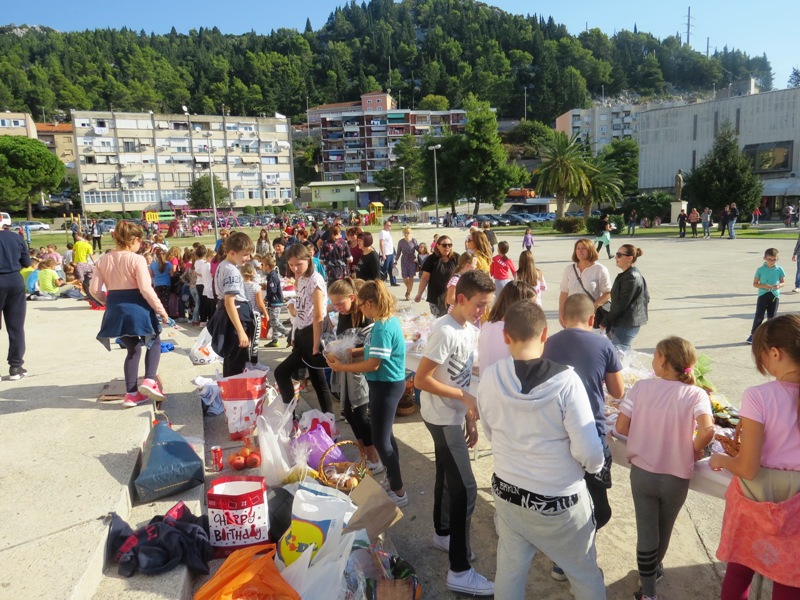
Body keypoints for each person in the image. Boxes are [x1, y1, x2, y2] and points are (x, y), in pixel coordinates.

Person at [479, 300, 606, 600]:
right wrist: (595, 468)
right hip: (559, 502)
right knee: (584, 575)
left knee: (509, 571)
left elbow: (490, 431)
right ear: (545, 334)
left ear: (506, 336)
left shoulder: (491, 376)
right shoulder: (567, 381)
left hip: (508, 493)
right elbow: (590, 452)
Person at [414, 270, 495, 597]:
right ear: (460, 299)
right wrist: (462, 397)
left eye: (486, 305)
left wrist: (469, 415)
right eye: (478, 305)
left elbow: (461, 376)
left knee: (447, 477)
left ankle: (443, 533)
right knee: (466, 488)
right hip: (440, 417)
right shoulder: (444, 330)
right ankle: (459, 570)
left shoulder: (469, 329)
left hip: (453, 415)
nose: (482, 311)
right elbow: (421, 380)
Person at [615, 337, 715, 600]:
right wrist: (692, 448)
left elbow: (621, 427)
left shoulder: (641, 388)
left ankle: (648, 592)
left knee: (647, 532)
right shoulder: (696, 394)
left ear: (662, 358)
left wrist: (644, 435)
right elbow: (708, 431)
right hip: (676, 477)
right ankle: (653, 569)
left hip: (643, 474)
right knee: (665, 528)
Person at [709, 315, 800, 600]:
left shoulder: (759, 396)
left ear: (775, 353)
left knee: (740, 568)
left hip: (754, 496)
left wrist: (721, 460)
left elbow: (747, 468)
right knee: (790, 578)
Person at [542, 293, 624, 581]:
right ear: (592, 319)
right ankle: (574, 560)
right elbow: (618, 391)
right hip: (590, 432)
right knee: (598, 509)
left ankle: (561, 558)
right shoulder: (604, 344)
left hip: (555, 433)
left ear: (563, 318)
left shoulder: (549, 342)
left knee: (566, 498)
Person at [327, 280, 407, 505]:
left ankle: (399, 492)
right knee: (386, 437)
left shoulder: (382, 327)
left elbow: (373, 364)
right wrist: (351, 352)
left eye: (361, 305)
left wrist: (342, 367)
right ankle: (393, 480)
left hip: (386, 385)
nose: (360, 309)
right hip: (383, 384)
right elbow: (373, 352)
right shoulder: (385, 322)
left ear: (369, 304)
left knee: (381, 441)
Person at [90, 221, 170, 406]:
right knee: (154, 340)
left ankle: (131, 394)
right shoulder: (137, 259)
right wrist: (161, 310)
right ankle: (150, 379)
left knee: (132, 349)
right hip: (137, 305)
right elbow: (145, 288)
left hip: (115, 307)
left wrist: (107, 302)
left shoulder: (103, 260)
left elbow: (94, 289)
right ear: (134, 239)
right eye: (140, 242)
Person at [326, 277, 381, 471]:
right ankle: (364, 454)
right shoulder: (344, 313)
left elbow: (373, 348)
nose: (337, 308)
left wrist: (348, 351)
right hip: (347, 368)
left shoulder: (365, 315)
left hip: (361, 371)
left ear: (352, 297)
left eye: (340, 303)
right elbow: (344, 340)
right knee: (349, 413)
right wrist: (335, 349)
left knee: (360, 414)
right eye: (334, 304)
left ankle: (375, 458)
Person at [274, 242, 334, 414]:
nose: (295, 268)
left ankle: (290, 415)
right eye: (291, 265)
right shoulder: (300, 279)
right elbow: (300, 308)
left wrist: (315, 345)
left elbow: (318, 314)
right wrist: (294, 334)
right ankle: (327, 418)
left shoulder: (315, 280)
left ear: (308, 259)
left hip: (313, 334)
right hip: (302, 333)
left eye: (298, 264)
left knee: (281, 372)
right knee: (317, 380)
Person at [208, 232, 256, 377]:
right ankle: (234, 389)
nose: (248, 258)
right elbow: (230, 303)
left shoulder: (223, 265)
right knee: (237, 364)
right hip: (235, 318)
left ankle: (229, 387)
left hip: (228, 315)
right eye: (245, 255)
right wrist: (241, 331)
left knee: (231, 361)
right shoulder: (232, 271)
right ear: (232, 253)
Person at [478, 280, 536, 375]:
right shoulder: (518, 333)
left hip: (485, 381)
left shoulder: (487, 325)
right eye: (532, 305)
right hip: (506, 382)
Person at [557, 239, 612, 330]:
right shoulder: (569, 269)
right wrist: (561, 313)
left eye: (583, 248)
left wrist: (593, 306)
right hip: (571, 314)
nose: (580, 251)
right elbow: (564, 292)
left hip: (591, 315)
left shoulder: (600, 269)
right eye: (578, 248)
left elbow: (607, 293)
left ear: (590, 250)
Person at [605, 244, 649, 353]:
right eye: (616, 254)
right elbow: (646, 297)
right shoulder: (629, 274)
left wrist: (605, 321)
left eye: (619, 255)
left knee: (617, 355)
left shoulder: (631, 276)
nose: (616, 257)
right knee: (622, 354)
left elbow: (621, 304)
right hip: (624, 322)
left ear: (629, 258)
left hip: (626, 323)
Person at [0, 226, 30, 380]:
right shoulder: (15, 237)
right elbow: (26, 262)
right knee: (16, 327)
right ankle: (16, 366)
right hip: (14, 279)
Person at [746, 247, 785, 344]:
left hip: (774, 296)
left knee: (772, 317)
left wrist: (779, 285)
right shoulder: (760, 270)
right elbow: (755, 284)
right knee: (759, 315)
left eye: (774, 259)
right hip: (763, 295)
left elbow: (783, 282)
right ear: (764, 258)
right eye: (769, 259)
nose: (771, 261)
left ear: (777, 259)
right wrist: (764, 286)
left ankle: (771, 336)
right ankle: (754, 335)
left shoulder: (779, 269)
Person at [416, 235, 459, 317]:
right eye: (444, 245)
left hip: (453, 298)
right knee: (440, 321)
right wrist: (419, 294)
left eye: (449, 245)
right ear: (438, 246)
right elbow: (425, 278)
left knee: (453, 321)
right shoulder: (431, 259)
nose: (447, 247)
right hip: (436, 298)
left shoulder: (456, 258)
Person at [241, 263, 268, 367]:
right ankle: (254, 362)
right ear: (252, 273)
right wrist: (266, 313)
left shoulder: (240, 286)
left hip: (243, 314)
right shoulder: (256, 286)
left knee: (245, 339)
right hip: (254, 314)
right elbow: (260, 303)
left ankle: (244, 361)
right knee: (255, 340)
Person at [262, 255, 290, 348]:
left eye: (263, 265)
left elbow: (272, 290)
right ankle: (275, 340)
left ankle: (288, 334)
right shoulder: (271, 275)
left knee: (274, 321)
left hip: (275, 301)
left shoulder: (272, 276)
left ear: (267, 266)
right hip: (274, 301)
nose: (262, 266)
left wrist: (266, 298)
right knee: (274, 321)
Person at [149, 247, 175, 317]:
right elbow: (172, 274)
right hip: (166, 284)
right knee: (166, 301)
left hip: (157, 284)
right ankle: (166, 315)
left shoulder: (152, 264)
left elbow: (151, 275)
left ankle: (159, 315)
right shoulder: (168, 264)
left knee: (158, 301)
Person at [396, 226, 419, 301]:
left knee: (411, 278)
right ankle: (409, 289)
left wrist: (423, 256)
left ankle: (408, 293)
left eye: (408, 233)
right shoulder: (401, 242)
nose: (406, 234)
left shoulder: (413, 241)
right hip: (404, 260)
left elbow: (419, 250)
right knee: (405, 278)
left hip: (412, 260)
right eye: (405, 232)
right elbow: (398, 252)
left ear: (410, 233)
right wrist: (395, 261)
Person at [377, 220, 397, 286]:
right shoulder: (382, 232)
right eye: (389, 225)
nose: (390, 227)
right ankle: (380, 282)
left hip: (391, 253)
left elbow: (390, 244)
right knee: (384, 268)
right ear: (385, 225)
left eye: (390, 225)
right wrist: (383, 254)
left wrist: (394, 253)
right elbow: (381, 243)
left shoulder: (388, 232)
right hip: (386, 254)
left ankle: (393, 281)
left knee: (391, 268)